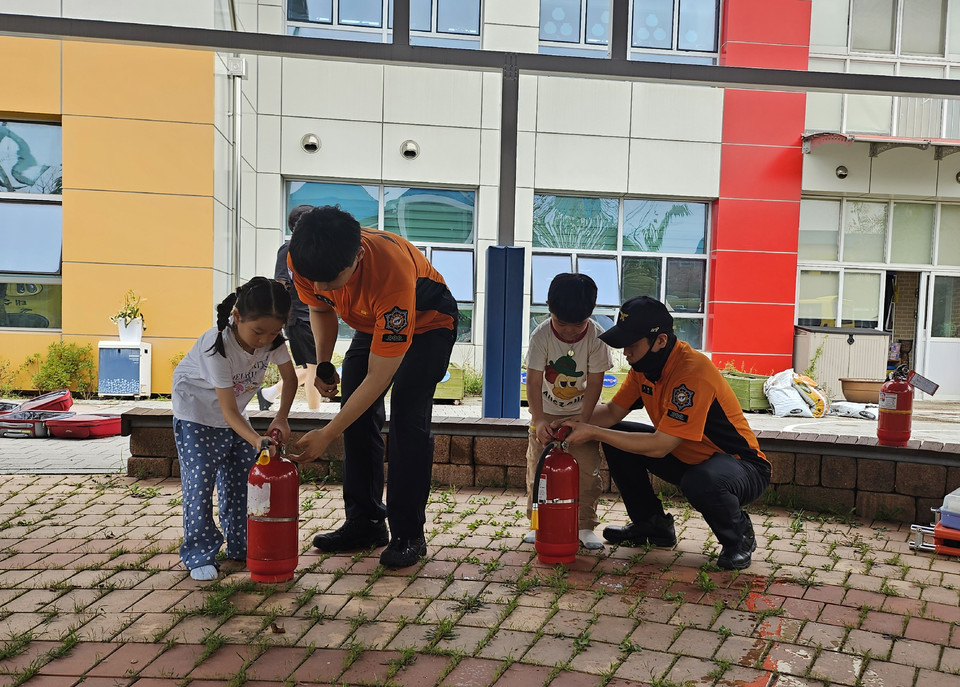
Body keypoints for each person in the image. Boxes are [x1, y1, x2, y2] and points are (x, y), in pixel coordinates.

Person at [287, 205, 458, 569]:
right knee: (357, 413)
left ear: (358, 257)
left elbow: (379, 378)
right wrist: (322, 364)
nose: (318, 288)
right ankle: (364, 522)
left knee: (407, 419)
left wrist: (328, 433)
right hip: (371, 322)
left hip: (429, 324)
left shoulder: (390, 271)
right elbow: (320, 310)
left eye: (330, 280)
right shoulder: (307, 259)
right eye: (311, 279)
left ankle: (408, 534)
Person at [561, 296, 771, 570]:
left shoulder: (692, 372)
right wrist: (566, 422)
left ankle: (738, 538)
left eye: (632, 345)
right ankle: (652, 525)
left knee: (702, 480)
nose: (626, 352)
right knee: (613, 433)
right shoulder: (645, 366)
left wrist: (594, 432)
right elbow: (612, 412)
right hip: (686, 457)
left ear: (660, 340)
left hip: (741, 467)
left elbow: (660, 446)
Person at [171, 277, 298, 581]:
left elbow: (290, 379)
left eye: (273, 332)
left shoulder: (272, 341)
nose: (264, 340)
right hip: (196, 413)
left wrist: (281, 417)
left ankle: (242, 545)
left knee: (243, 478)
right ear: (237, 316)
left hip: (234, 417)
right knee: (201, 480)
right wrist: (257, 439)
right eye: (258, 332)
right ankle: (199, 552)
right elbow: (227, 409)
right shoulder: (216, 345)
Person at [523, 273, 613, 550]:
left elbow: (596, 381)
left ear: (591, 313)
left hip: (581, 415)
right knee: (538, 473)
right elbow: (534, 379)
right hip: (545, 418)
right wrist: (538, 420)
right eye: (562, 323)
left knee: (586, 474)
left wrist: (584, 423)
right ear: (548, 306)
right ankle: (538, 523)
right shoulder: (541, 335)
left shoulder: (597, 337)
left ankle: (585, 525)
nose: (570, 332)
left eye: (578, 325)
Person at [258, 204, 323, 411]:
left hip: (313, 315)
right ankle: (314, 415)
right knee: (315, 367)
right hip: (300, 317)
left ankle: (269, 393)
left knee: (312, 366)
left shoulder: (314, 251)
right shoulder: (289, 250)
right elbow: (280, 285)